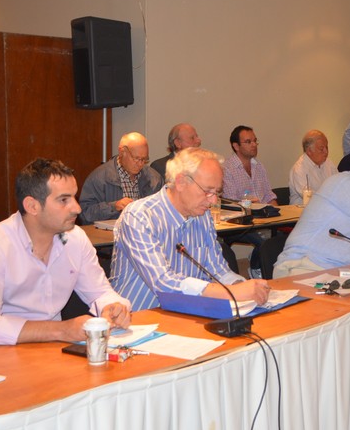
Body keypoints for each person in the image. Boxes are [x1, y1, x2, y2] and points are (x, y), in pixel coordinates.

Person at [0, 158, 131, 348]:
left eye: (74, 197)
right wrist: (61, 330)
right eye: (64, 200)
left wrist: (113, 307)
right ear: (32, 206)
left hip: (48, 348)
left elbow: (100, 292)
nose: (77, 208)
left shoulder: (75, 238)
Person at [111, 148, 270, 311]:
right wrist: (232, 293)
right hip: (138, 318)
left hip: (186, 314)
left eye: (217, 192)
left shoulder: (202, 215)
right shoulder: (139, 216)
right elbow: (163, 283)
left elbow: (217, 269)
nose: (213, 201)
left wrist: (243, 286)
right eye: (207, 191)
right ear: (181, 182)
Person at [222, 125, 278, 278]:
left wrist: (277, 212)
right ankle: (255, 267)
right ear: (236, 146)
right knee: (264, 241)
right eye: (248, 142)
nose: (253, 144)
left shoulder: (259, 166)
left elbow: (268, 194)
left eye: (255, 141)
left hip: (262, 217)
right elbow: (231, 203)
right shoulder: (228, 168)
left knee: (280, 237)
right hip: (239, 221)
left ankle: (260, 260)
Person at [79, 132, 162, 225]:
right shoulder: (99, 178)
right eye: (136, 158)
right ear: (122, 152)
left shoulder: (154, 179)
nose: (140, 164)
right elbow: (84, 214)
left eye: (144, 159)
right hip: (110, 233)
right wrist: (114, 207)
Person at [289, 130, 338, 205]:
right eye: (321, 149)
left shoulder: (329, 163)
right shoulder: (299, 169)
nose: (326, 152)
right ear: (309, 151)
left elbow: (338, 186)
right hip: (303, 210)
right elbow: (309, 197)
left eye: (326, 147)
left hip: (327, 206)